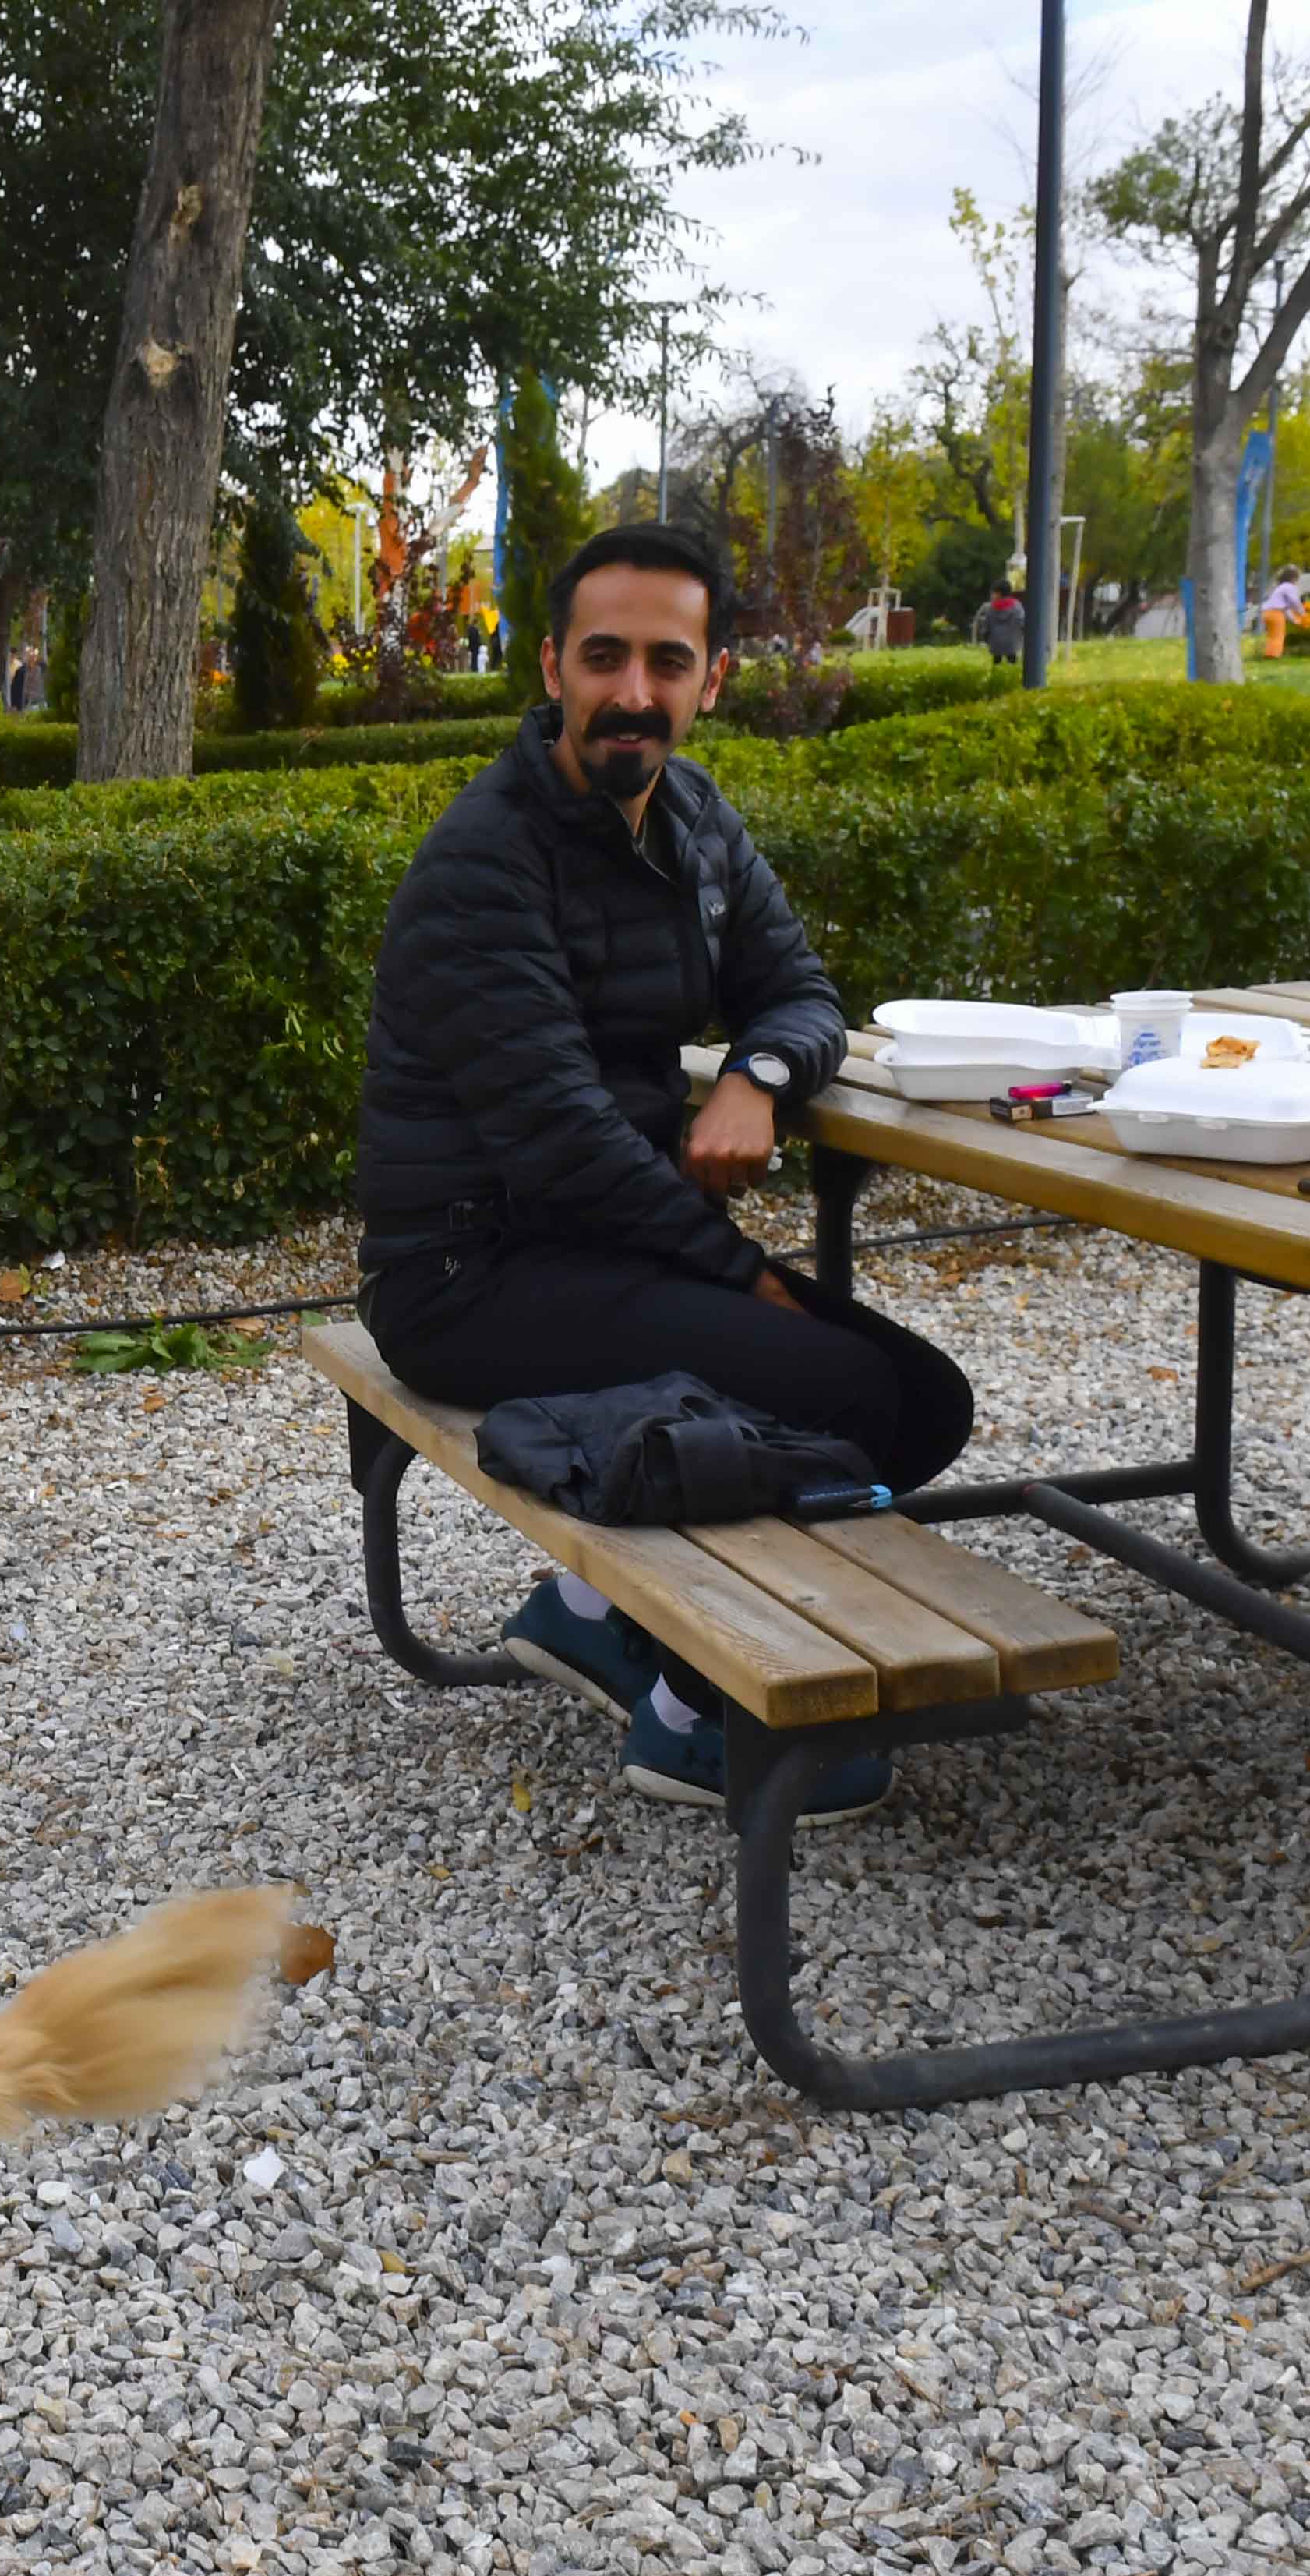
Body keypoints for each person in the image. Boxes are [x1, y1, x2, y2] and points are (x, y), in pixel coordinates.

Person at [354, 519, 972, 1823]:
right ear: (551, 668)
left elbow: (800, 991)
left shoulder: (693, 821)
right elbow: (561, 1142)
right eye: (605, 657)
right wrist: (746, 1278)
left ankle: (588, 1614)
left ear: (710, 681)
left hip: (598, 1245)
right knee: (865, 1394)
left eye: (666, 661)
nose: (633, 691)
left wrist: (754, 1076)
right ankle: (701, 1714)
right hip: (471, 1273)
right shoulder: (487, 858)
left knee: (917, 1395)